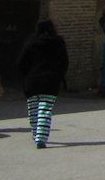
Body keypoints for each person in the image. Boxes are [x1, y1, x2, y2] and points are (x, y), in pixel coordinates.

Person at [17, 19, 69, 148]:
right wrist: (60, 75)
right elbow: (64, 62)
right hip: (51, 81)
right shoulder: (58, 42)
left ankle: (36, 134)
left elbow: (21, 62)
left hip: (32, 80)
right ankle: (41, 137)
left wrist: (25, 75)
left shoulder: (30, 42)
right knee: (45, 109)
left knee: (33, 109)